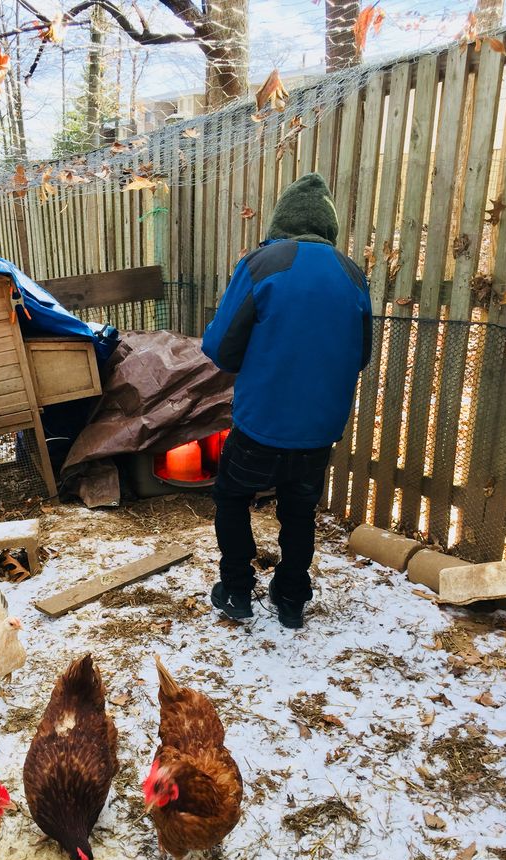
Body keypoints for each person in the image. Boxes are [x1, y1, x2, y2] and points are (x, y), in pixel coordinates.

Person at [202, 172, 372, 629]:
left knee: (232, 496)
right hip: (319, 431)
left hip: (261, 424)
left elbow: (221, 349)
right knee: (299, 511)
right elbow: (362, 356)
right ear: (328, 227)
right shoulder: (352, 273)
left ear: (281, 221)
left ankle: (237, 590)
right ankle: (292, 597)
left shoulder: (262, 264)